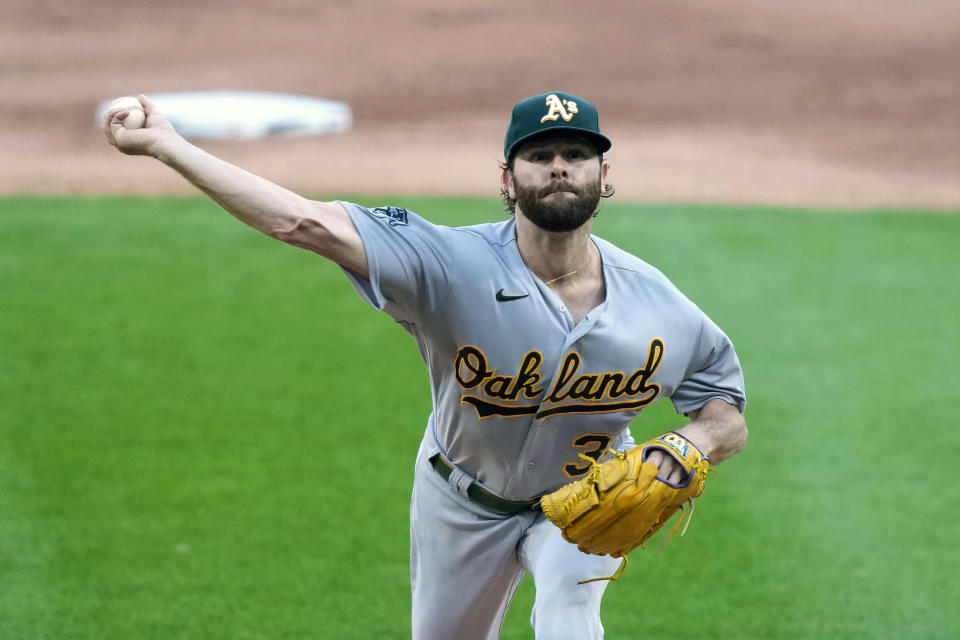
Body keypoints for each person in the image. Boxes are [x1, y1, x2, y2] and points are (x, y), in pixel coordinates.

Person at [104, 90, 748, 639]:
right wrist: (168, 145)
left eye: (577, 155)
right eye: (540, 155)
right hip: (459, 497)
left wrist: (686, 444)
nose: (559, 168)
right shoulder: (449, 265)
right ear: (507, 177)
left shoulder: (660, 308)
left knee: (569, 609)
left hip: (581, 498)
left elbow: (725, 411)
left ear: (603, 175)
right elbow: (303, 222)